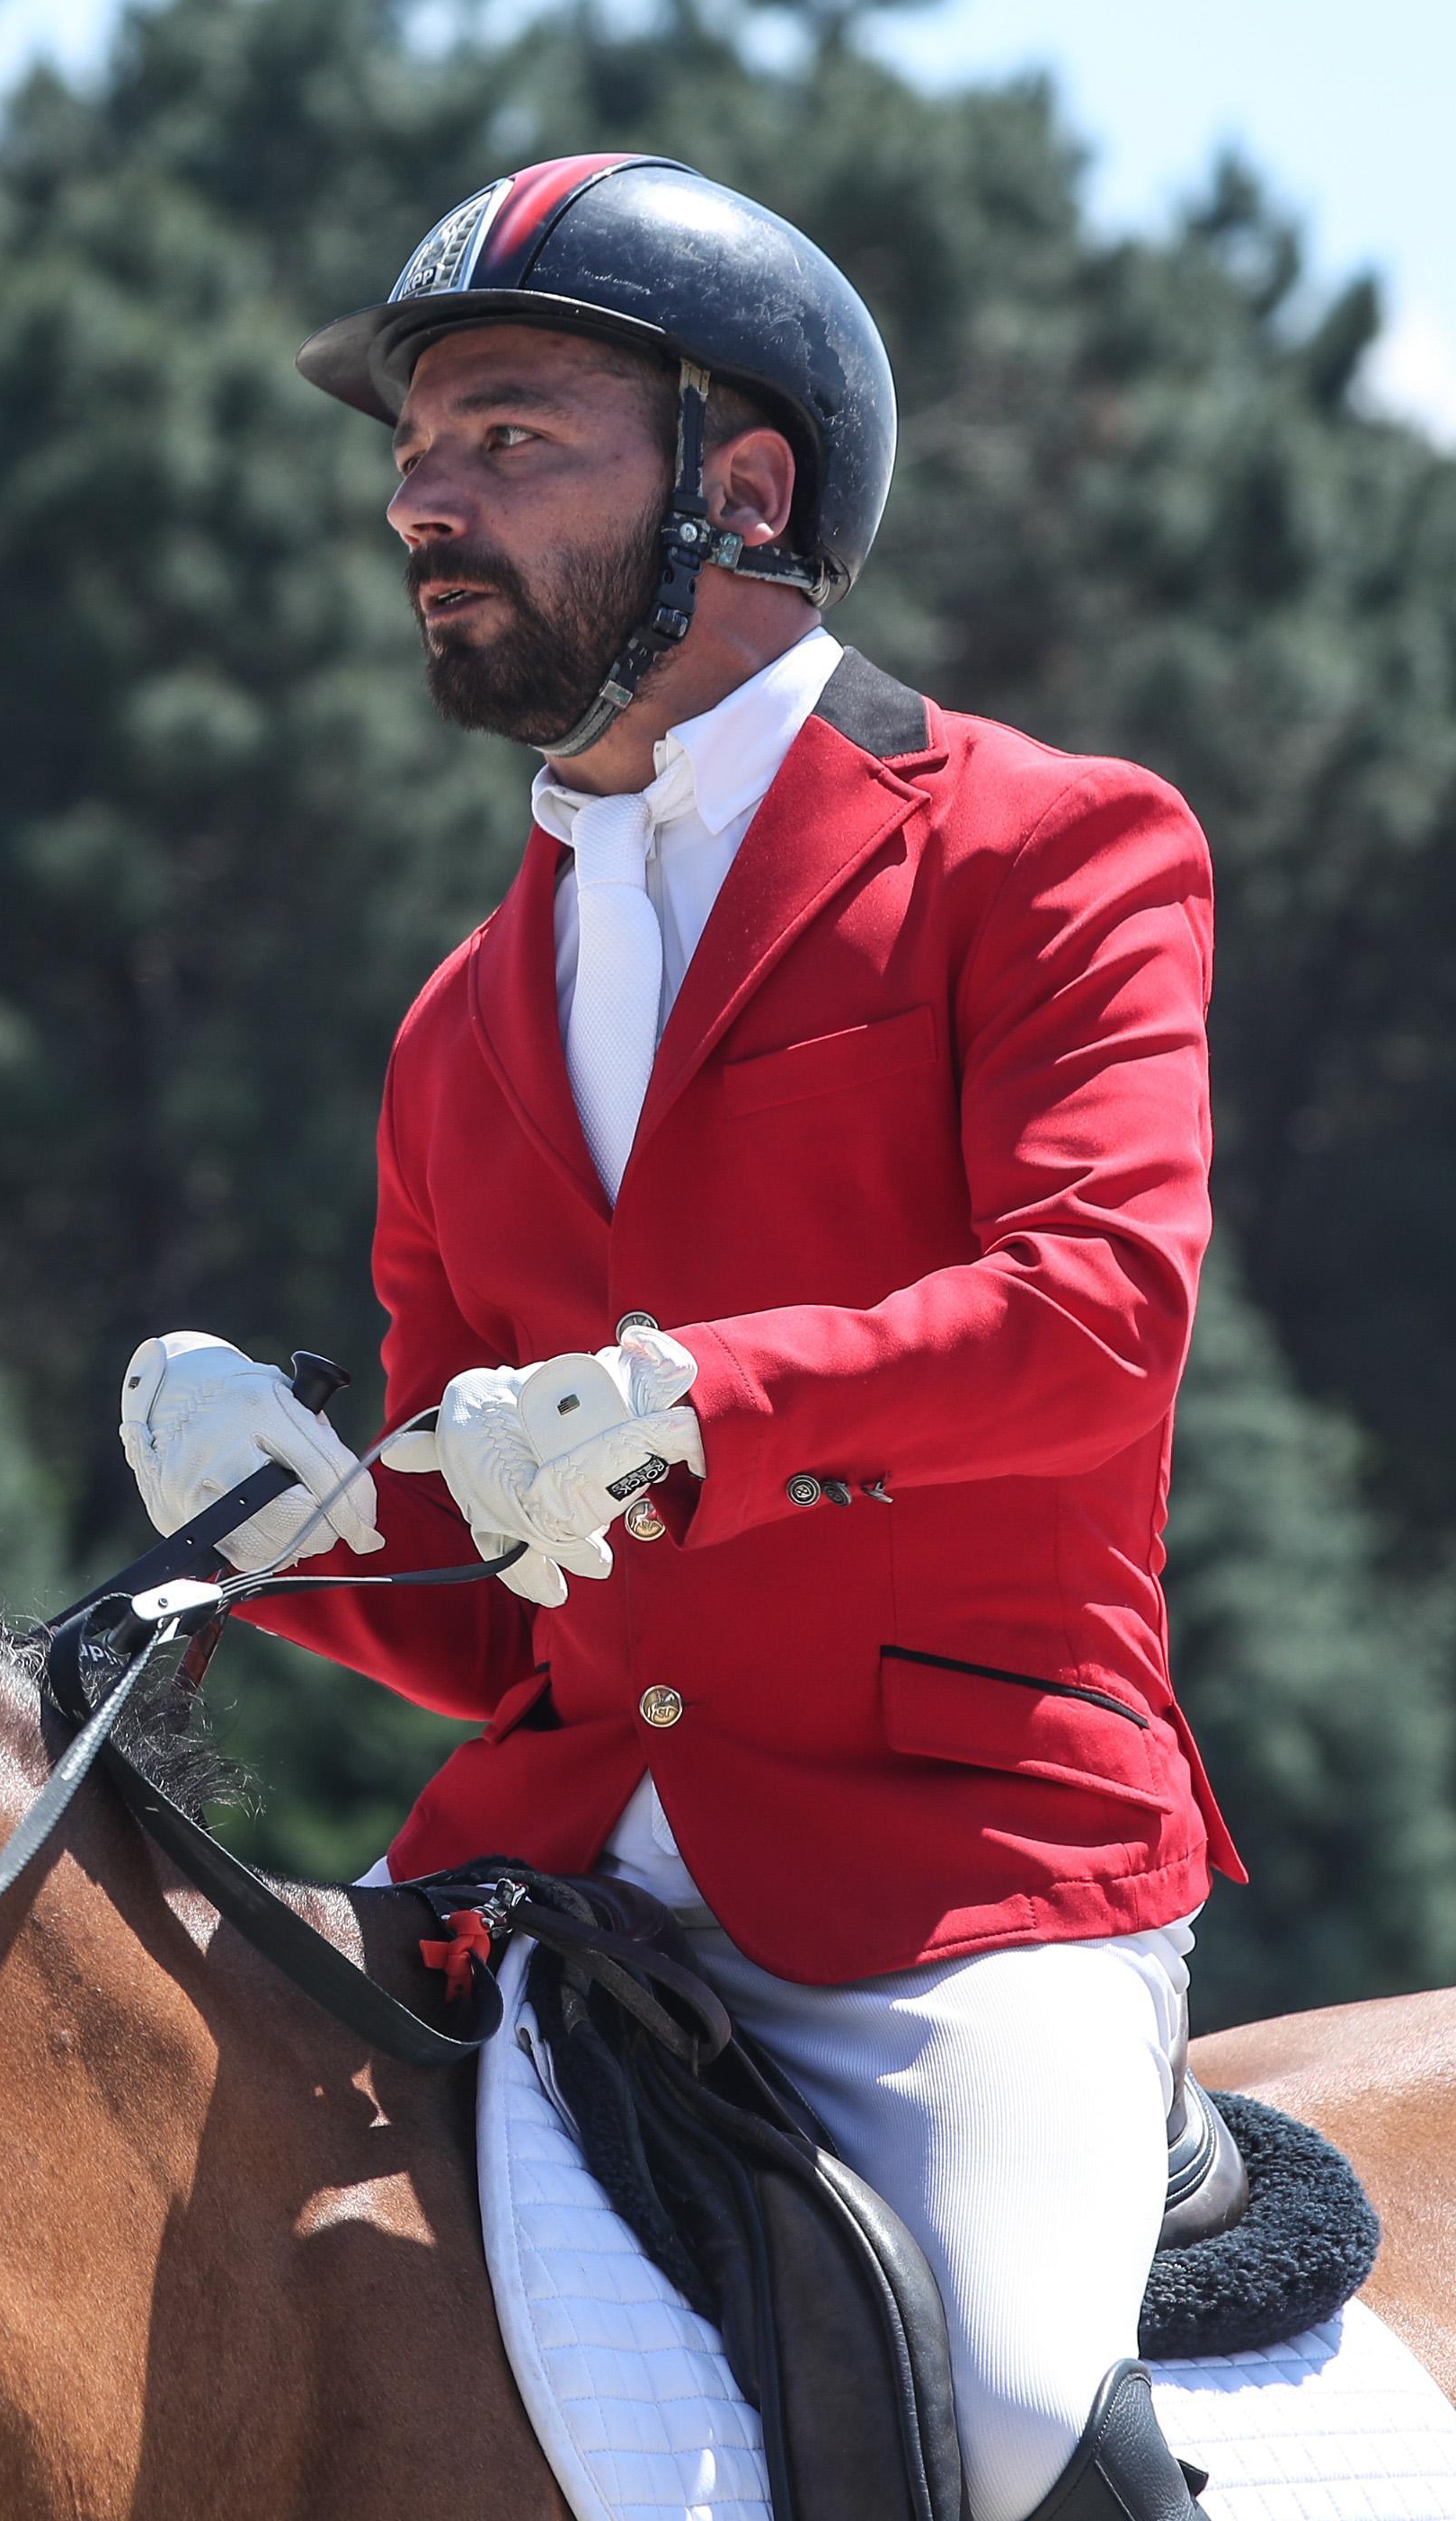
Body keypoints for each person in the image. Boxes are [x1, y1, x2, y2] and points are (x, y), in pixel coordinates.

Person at [115, 155, 1237, 2521]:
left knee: (1020, 2413)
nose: (427, 501)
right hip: (547, 1874)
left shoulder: (1051, 850)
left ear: (744, 492)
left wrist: (691, 1409)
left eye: (510, 441)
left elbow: (1101, 1318)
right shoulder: (452, 1030)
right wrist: (316, 1539)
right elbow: (510, 1623)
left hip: (957, 1865)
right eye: (413, 455)